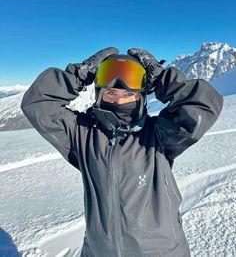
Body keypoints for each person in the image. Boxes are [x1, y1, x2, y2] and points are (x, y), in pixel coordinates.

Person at [21, 47, 223, 257]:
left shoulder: (158, 135)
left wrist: (161, 77)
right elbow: (38, 103)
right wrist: (81, 73)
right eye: (111, 93)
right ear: (100, 94)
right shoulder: (83, 135)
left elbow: (204, 104)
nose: (118, 101)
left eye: (128, 94)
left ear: (140, 97)